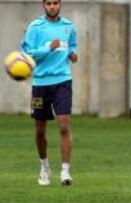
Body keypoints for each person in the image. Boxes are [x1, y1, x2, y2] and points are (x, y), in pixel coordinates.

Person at [21, 0, 78, 186]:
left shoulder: (68, 26)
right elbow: (27, 53)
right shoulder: (35, 27)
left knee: (63, 125)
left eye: (55, 3)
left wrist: (72, 54)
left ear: (60, 4)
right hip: (40, 84)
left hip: (63, 81)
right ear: (43, 5)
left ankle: (65, 172)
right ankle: (44, 167)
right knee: (39, 129)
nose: (52, 6)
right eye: (49, 3)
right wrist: (48, 48)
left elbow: (71, 46)